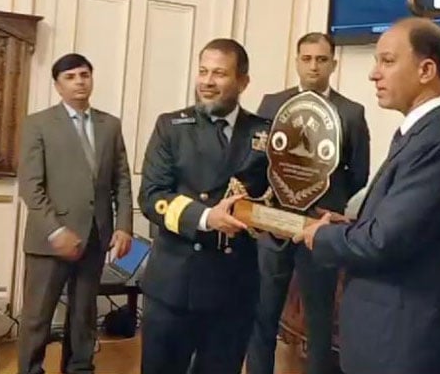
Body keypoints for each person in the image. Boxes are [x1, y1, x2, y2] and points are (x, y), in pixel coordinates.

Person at [293, 18, 440, 374]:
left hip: (404, 344)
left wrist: (322, 235)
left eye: (387, 61)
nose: (374, 74)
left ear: (426, 69)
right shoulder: (422, 132)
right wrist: (349, 224)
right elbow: (404, 225)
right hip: (388, 338)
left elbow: (384, 241)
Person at [137, 38, 270, 374]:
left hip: (233, 286)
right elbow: (152, 197)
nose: (207, 82)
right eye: (203, 72)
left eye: (220, 74)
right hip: (176, 285)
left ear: (243, 81)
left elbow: (277, 198)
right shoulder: (172, 127)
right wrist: (207, 217)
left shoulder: (265, 133)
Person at [246, 32, 370, 374]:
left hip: (321, 230)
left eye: (321, 59)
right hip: (274, 226)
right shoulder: (272, 104)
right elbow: (257, 161)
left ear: (333, 63)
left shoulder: (352, 112)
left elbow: (359, 174)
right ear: (297, 61)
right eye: (307, 58)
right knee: (263, 315)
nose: (313, 66)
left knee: (319, 321)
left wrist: (330, 209)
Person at [17, 53, 133, 374]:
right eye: (70, 77)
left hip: (95, 237)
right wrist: (56, 231)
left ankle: (79, 368)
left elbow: (121, 181)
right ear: (57, 85)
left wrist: (123, 226)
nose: (79, 81)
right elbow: (30, 186)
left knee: (84, 316)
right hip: (49, 241)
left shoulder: (109, 125)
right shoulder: (38, 124)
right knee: (37, 318)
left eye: (84, 74)